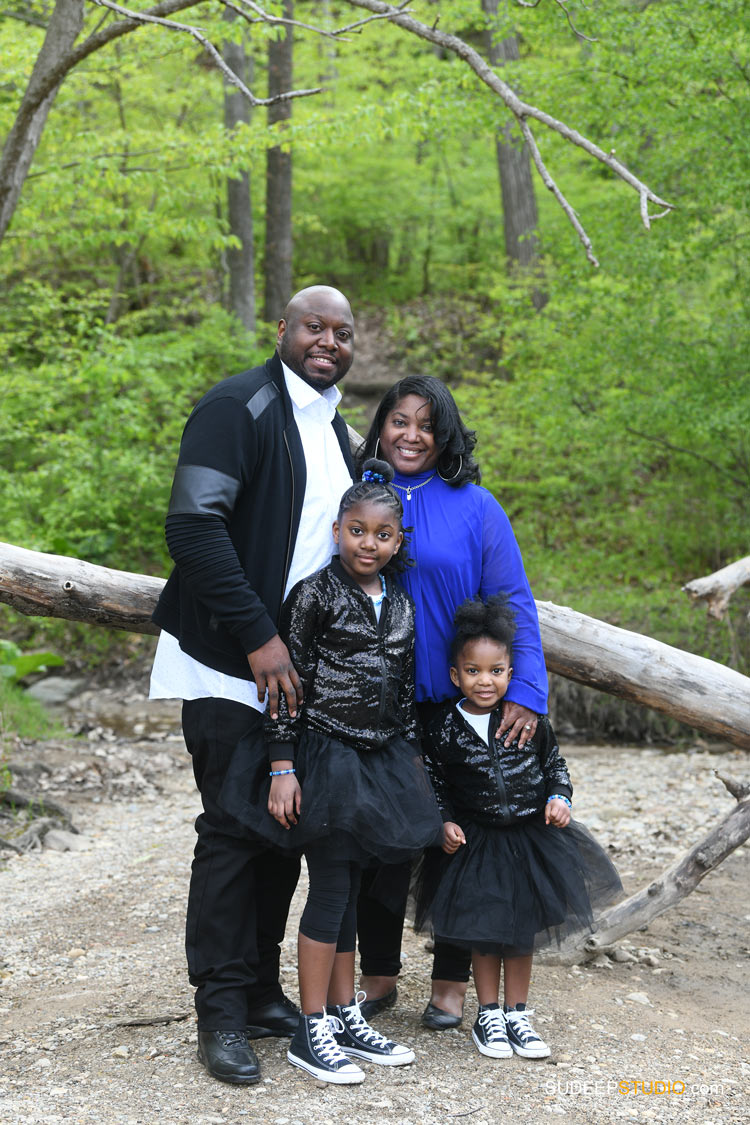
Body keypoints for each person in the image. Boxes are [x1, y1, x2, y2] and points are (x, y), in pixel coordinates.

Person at [149, 285, 357, 1084]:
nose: (328, 340)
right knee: (234, 834)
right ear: (282, 329)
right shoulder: (237, 405)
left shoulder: (335, 427)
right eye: (314, 325)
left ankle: (266, 992)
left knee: (283, 829)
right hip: (227, 661)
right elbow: (192, 524)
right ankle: (222, 1011)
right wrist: (260, 636)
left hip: (296, 675)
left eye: (342, 331)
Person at [220, 461, 444, 1084]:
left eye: (381, 534)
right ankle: (309, 1026)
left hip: (383, 757)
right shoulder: (315, 595)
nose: (367, 544)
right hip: (325, 754)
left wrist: (413, 762)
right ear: (338, 531)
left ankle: (345, 1012)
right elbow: (285, 688)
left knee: (350, 888)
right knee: (329, 888)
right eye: (356, 530)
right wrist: (282, 765)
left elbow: (400, 692)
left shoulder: (399, 604)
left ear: (398, 542)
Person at [354, 375, 549, 1029]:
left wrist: (525, 690)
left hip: (456, 705)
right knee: (375, 839)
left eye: (426, 424)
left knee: (460, 842)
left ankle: (449, 984)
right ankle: (378, 975)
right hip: (374, 703)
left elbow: (514, 600)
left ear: (445, 435)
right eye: (398, 421)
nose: (411, 434)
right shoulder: (359, 498)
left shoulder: (476, 506)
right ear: (380, 426)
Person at [417, 595, 622, 1060]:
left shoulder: (526, 719)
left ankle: (517, 1013)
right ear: (455, 675)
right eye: (473, 671)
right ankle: (488, 1014)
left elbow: (555, 765)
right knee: (486, 932)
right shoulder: (445, 728)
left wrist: (559, 798)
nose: (485, 681)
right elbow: (435, 782)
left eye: (495, 671)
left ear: (510, 672)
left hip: (532, 838)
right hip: (478, 842)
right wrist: (444, 820)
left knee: (520, 932)